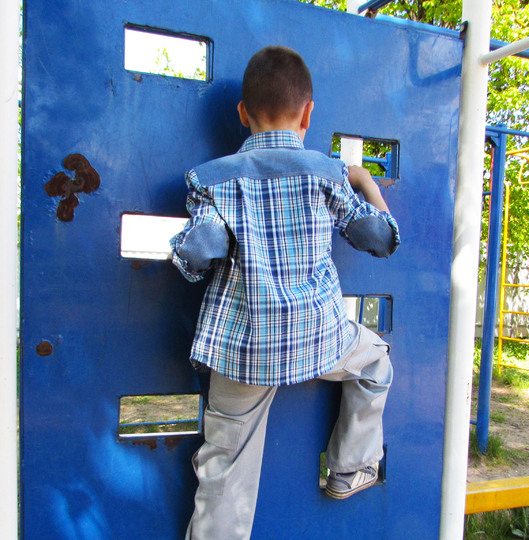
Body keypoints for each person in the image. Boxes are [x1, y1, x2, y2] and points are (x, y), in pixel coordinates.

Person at [170, 45, 400, 540]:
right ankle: (348, 468)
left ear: (242, 113)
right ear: (308, 114)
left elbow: (198, 252)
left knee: (225, 467)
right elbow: (380, 239)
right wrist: (365, 182)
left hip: (245, 347)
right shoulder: (327, 172)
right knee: (376, 361)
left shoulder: (211, 180)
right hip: (320, 338)